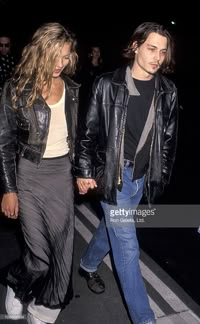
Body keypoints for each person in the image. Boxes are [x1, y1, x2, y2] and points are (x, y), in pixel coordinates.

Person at [76, 22, 178, 324]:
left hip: (141, 179)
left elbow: (168, 141)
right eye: (151, 48)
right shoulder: (108, 84)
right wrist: (83, 170)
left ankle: (88, 264)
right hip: (114, 176)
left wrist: (158, 177)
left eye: (162, 51)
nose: (157, 57)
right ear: (135, 46)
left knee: (113, 230)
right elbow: (88, 132)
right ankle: (145, 319)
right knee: (128, 249)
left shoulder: (168, 91)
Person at [0, 22, 80, 324]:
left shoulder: (72, 89)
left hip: (61, 174)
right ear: (40, 51)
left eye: (66, 57)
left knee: (61, 251)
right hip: (29, 175)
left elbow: (80, 135)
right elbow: (4, 141)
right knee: (39, 258)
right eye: (55, 56)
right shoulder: (16, 88)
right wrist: (9, 189)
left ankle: (42, 309)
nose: (60, 64)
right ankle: (15, 283)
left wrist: (83, 171)